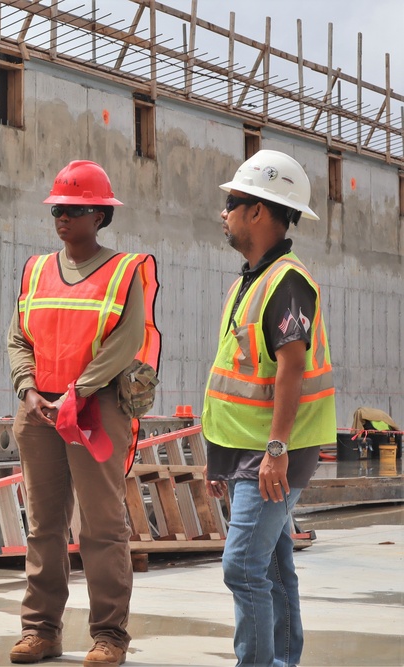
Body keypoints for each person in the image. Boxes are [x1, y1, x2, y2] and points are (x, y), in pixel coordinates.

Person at [7, 160, 161, 666]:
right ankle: (41, 631)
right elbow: (18, 338)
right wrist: (28, 390)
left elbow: (127, 341)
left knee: (102, 527)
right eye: (58, 208)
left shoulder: (123, 272)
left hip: (95, 411)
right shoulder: (35, 269)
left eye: (74, 209)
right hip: (40, 413)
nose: (63, 217)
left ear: (100, 215)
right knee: (44, 526)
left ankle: (110, 635)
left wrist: (79, 391)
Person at [203, 149, 335, 667]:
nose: (224, 213)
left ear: (258, 211)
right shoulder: (248, 282)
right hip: (246, 452)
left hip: (275, 452)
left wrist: (275, 450)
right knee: (274, 564)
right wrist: (220, 459)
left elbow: (290, 369)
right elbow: (235, 376)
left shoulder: (288, 283)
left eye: (232, 203)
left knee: (241, 567)